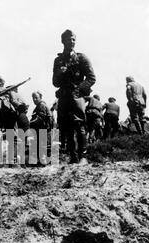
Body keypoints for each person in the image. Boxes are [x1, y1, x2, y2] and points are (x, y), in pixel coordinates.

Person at [53, 29, 96, 164]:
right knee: (66, 126)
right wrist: (59, 73)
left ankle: (83, 156)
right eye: (68, 39)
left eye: (73, 40)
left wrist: (79, 89)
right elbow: (55, 83)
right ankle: (73, 156)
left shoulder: (81, 58)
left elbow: (91, 78)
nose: (71, 42)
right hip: (64, 96)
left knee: (79, 123)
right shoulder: (58, 60)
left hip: (76, 96)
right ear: (63, 41)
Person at [30, 91, 53, 166]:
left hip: (43, 129)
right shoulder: (41, 105)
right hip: (44, 129)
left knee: (42, 146)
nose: (34, 99)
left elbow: (40, 118)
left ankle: (43, 162)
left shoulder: (41, 106)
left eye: (36, 98)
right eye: (33, 98)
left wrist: (30, 123)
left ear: (40, 98)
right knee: (45, 146)